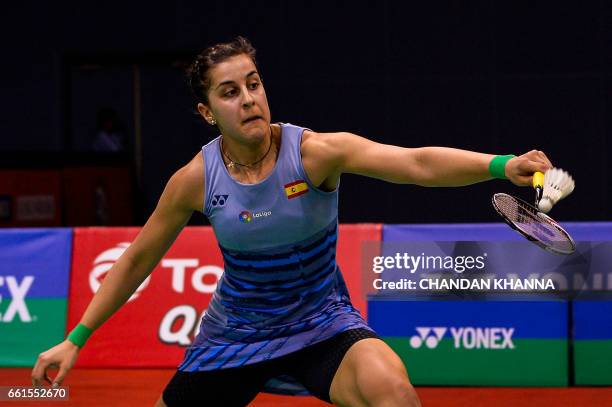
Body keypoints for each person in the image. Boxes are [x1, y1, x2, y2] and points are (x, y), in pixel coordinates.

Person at [32, 37, 552, 406]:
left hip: (321, 325)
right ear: (208, 111)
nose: (249, 99)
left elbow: (415, 163)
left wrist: (503, 165)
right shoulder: (194, 179)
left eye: (253, 84)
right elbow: (138, 258)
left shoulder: (314, 154)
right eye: (230, 92)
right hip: (234, 337)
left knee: (391, 389)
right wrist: (76, 339)